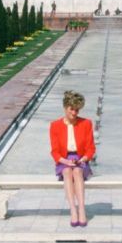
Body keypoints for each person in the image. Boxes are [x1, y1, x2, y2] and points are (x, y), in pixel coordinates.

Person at [49, 90, 96, 227]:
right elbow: (55, 151)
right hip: (64, 160)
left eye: (77, 110)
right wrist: (65, 161)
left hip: (81, 159)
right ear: (65, 107)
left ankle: (82, 209)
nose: (74, 113)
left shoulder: (86, 123)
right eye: (71, 109)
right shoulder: (55, 126)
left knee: (77, 171)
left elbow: (91, 148)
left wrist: (83, 160)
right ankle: (73, 210)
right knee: (67, 171)